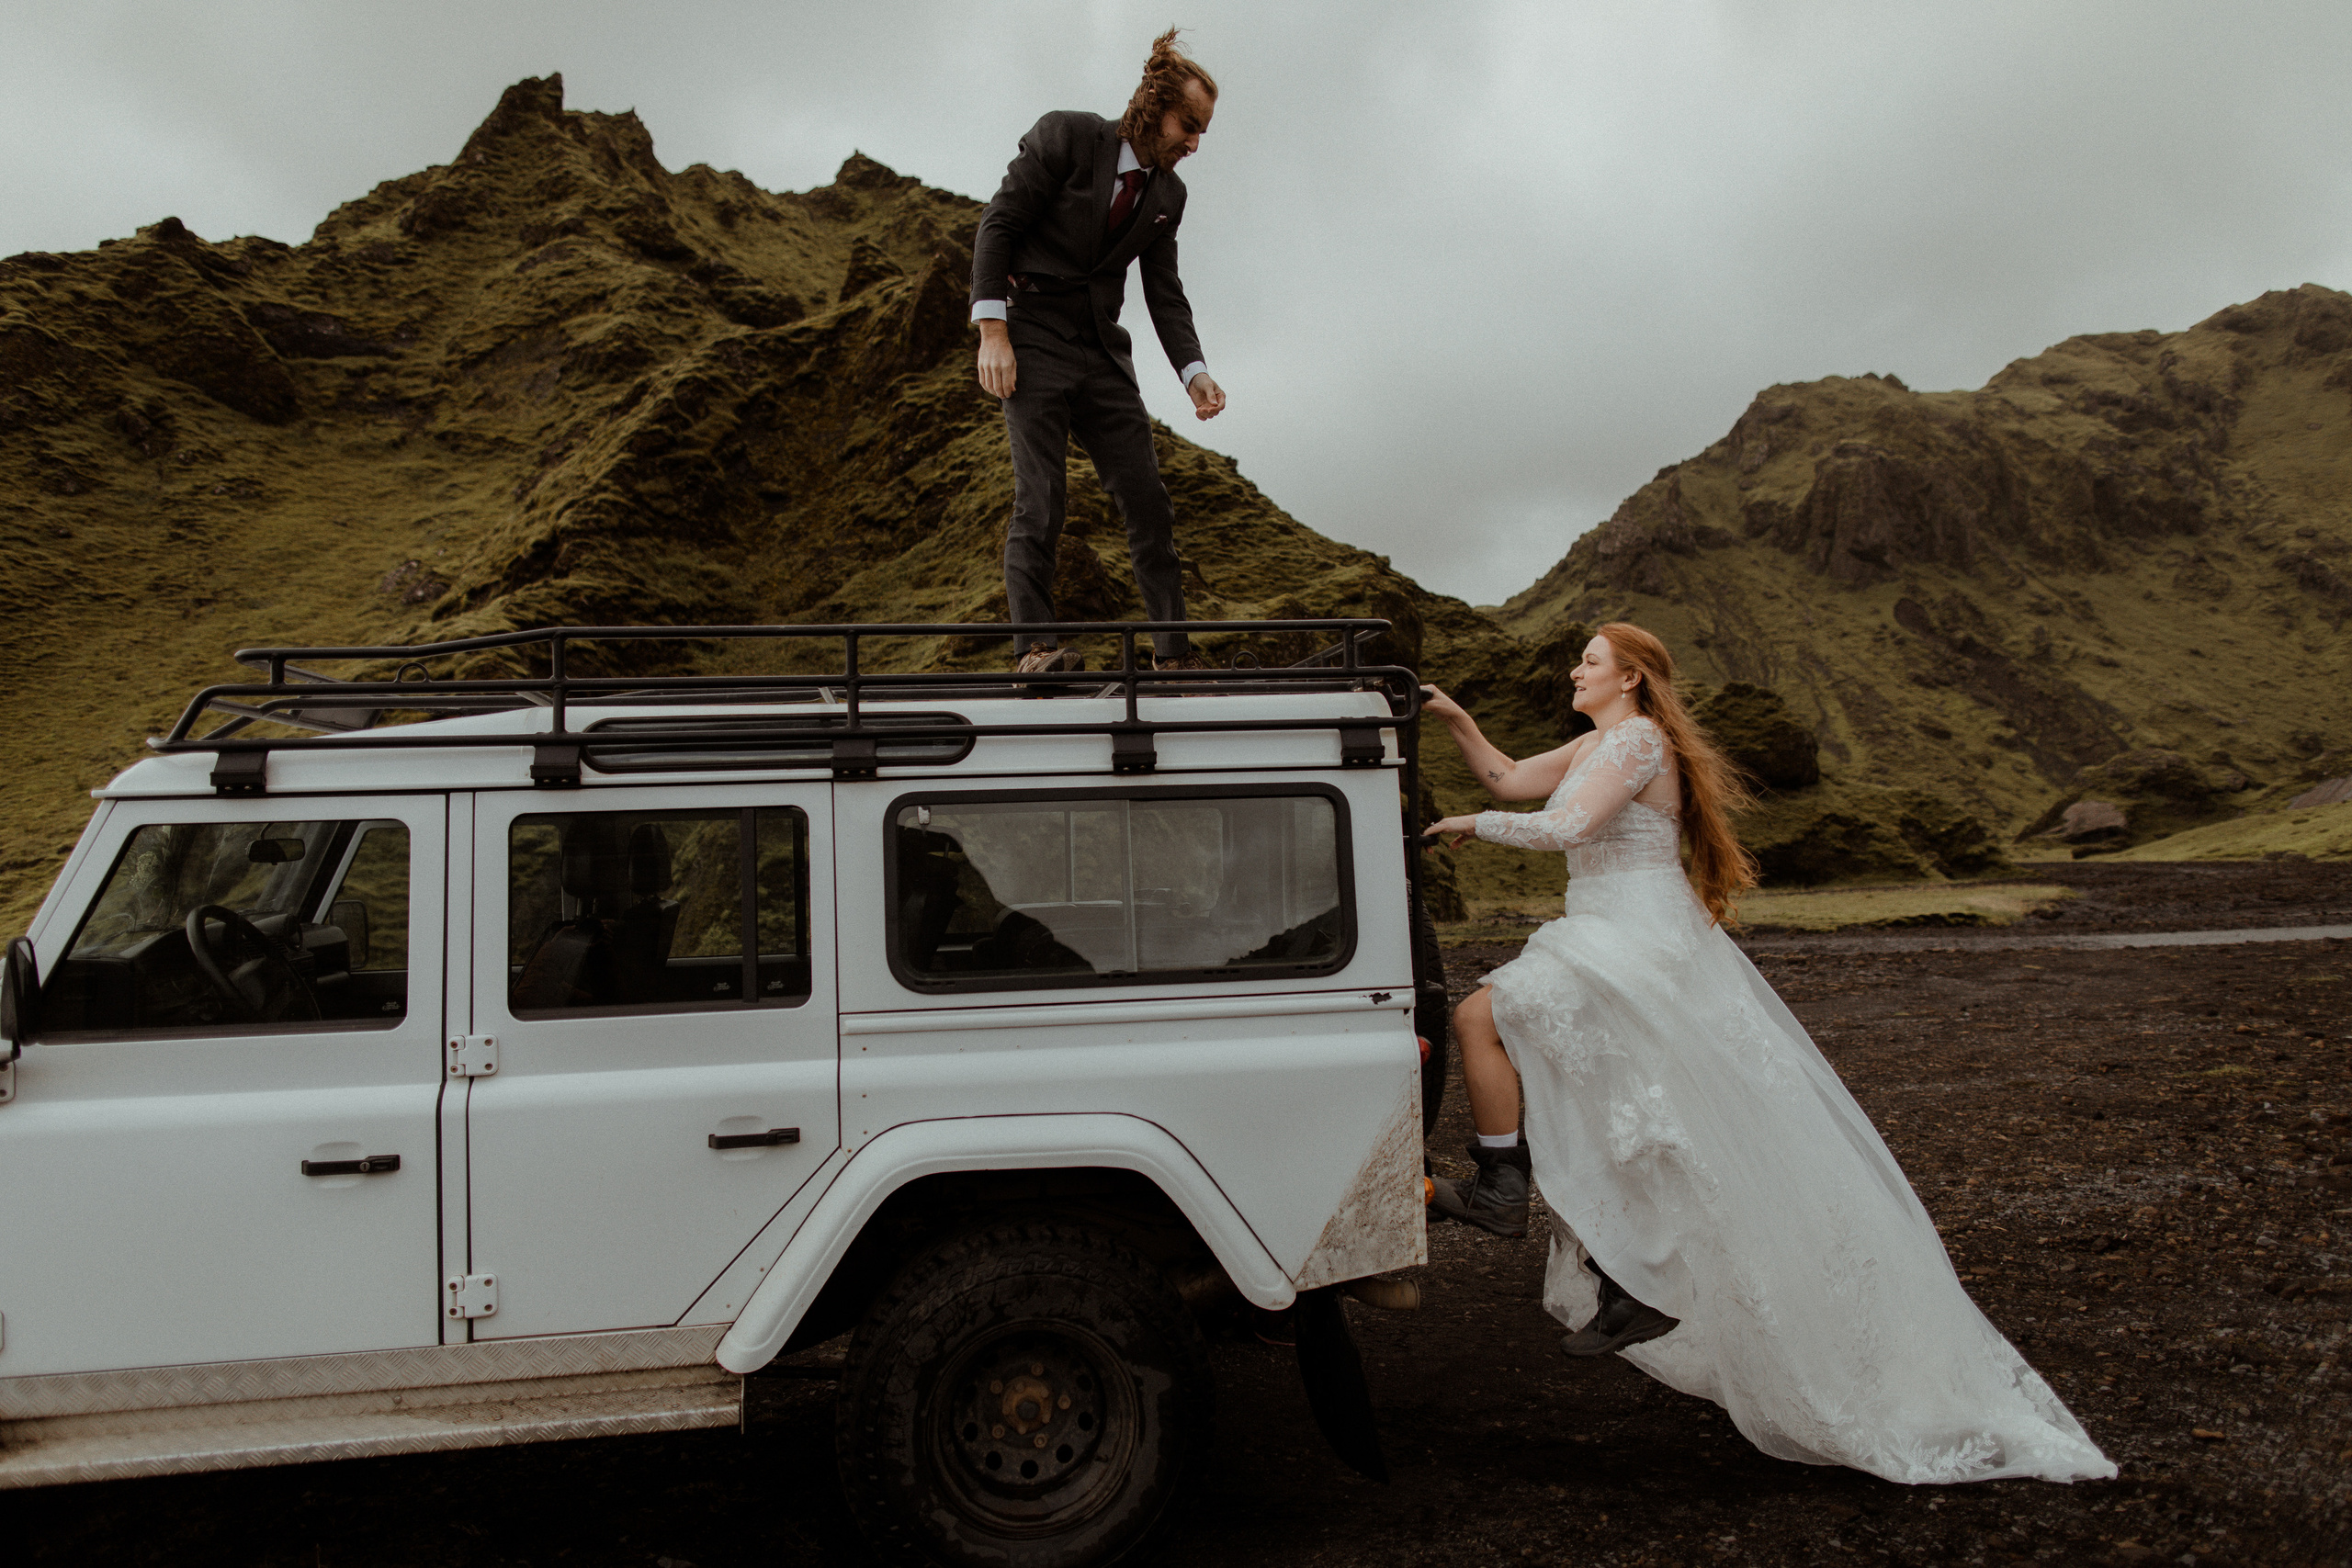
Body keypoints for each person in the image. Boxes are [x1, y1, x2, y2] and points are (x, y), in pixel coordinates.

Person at [1419, 623, 2114, 1485]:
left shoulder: (1636, 739)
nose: (1575, 669)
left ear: (1631, 678)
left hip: (1634, 937)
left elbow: (1565, 824)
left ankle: (1509, 1192)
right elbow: (1510, 774)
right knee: (1627, 1101)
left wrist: (1478, 825)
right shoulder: (1605, 738)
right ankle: (1616, 1261)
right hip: (1615, 931)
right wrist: (1452, 717)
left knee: (1493, 1019)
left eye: (1590, 661)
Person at [969, 28, 1227, 677]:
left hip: (1102, 351)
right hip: (1032, 334)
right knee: (1044, 494)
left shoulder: (1170, 195)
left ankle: (1173, 658)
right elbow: (998, 225)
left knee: (1147, 498)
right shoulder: (1067, 137)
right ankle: (1034, 649)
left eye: (1202, 132)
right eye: (1188, 125)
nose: (1195, 143)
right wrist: (993, 332)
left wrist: (1194, 373)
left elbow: (1164, 293)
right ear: (1153, 104)